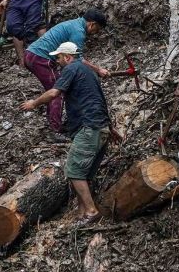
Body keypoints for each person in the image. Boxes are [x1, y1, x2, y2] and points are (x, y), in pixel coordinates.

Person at [20, 42, 111, 222]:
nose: (57, 60)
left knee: (74, 171)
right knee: (84, 175)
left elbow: (54, 93)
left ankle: (91, 212)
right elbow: (100, 99)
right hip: (101, 127)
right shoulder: (89, 72)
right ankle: (81, 213)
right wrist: (110, 128)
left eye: (59, 57)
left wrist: (34, 103)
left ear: (68, 57)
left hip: (88, 127)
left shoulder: (71, 69)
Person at [23, 8, 109, 133]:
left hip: (32, 54)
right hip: (40, 57)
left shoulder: (73, 24)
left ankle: (54, 123)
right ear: (92, 24)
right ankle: (55, 129)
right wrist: (98, 70)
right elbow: (77, 60)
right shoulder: (78, 32)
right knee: (57, 91)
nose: (95, 33)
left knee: (55, 88)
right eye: (97, 29)